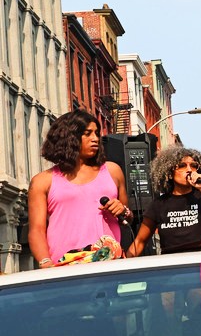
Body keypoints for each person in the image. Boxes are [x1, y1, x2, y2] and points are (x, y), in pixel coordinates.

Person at [27, 110, 130, 268]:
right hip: (65, 268)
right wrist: (45, 263)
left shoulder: (113, 171)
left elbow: (128, 219)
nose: (95, 139)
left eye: (97, 133)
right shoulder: (42, 181)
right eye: (87, 133)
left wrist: (123, 211)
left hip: (110, 264)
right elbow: (36, 230)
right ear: (69, 137)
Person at [127, 146, 201, 256]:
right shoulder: (159, 204)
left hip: (200, 260)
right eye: (182, 166)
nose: (189, 170)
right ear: (169, 173)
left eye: (193, 166)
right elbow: (140, 242)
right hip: (171, 265)